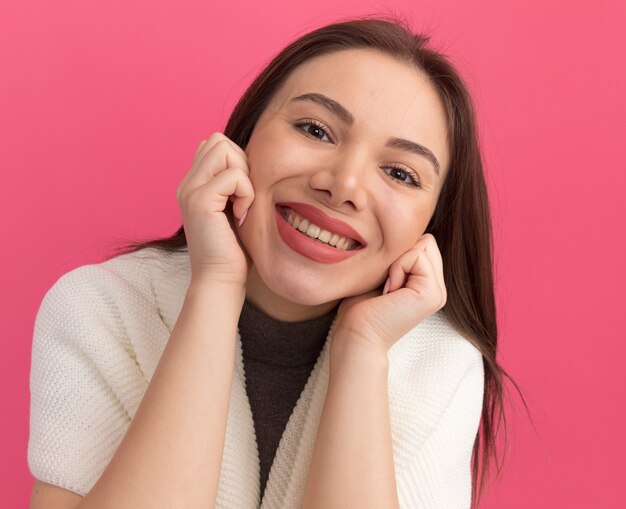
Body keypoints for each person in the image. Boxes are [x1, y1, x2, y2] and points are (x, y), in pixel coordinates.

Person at [28, 17, 506, 509]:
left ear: (430, 224)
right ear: (244, 139)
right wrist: (214, 287)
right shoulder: (97, 310)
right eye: (315, 129)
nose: (342, 185)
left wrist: (362, 350)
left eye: (401, 173)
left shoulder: (440, 362)